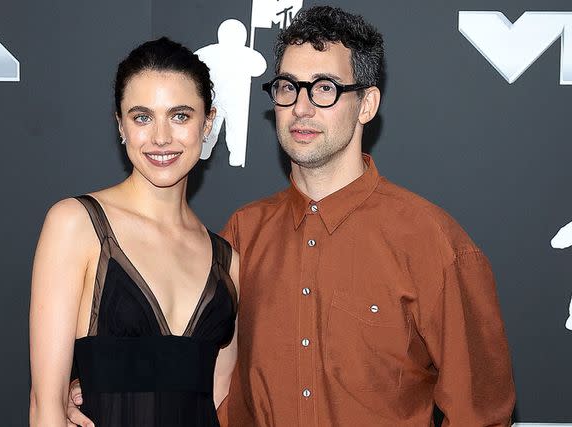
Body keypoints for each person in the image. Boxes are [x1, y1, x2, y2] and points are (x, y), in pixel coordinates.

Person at [68, 6, 515, 426]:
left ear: (367, 104)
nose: (301, 107)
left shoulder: (432, 242)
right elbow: (188, 368)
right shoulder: (241, 236)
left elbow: (481, 415)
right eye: (288, 87)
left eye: (324, 88)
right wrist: (94, 388)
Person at [29, 37, 239, 427]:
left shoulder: (228, 260)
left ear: (207, 123)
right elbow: (46, 409)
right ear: (120, 125)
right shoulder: (76, 224)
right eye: (142, 117)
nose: (161, 137)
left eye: (180, 116)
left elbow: (218, 395)